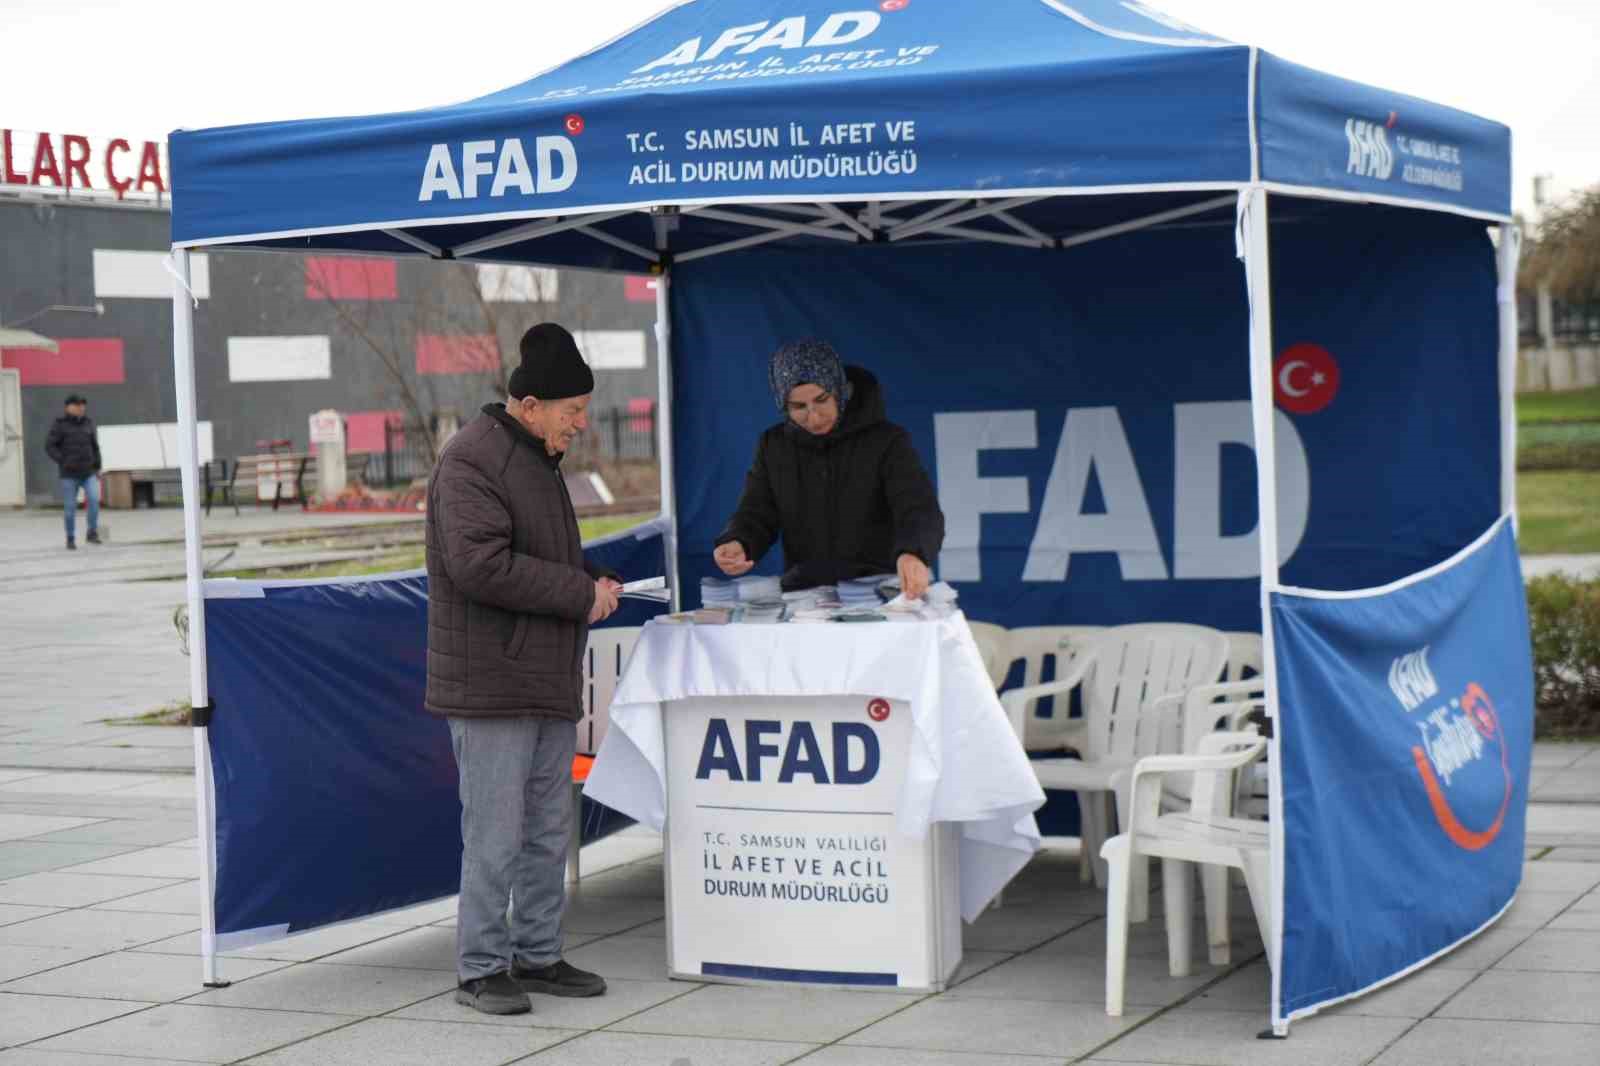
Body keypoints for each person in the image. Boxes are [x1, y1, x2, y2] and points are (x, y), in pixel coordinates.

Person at [425, 323, 617, 1016]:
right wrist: (578, 593)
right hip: (492, 685)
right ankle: (480, 968)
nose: (580, 424)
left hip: (542, 678)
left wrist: (593, 577)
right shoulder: (471, 461)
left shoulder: (536, 458)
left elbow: (541, 552)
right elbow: (480, 566)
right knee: (495, 834)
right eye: (573, 411)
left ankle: (538, 954)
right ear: (530, 405)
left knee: (545, 831)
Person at [713, 339, 944, 596]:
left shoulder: (888, 441)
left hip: (881, 591)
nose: (813, 417)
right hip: (806, 594)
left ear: (839, 391)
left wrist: (913, 552)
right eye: (798, 407)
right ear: (783, 405)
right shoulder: (773, 445)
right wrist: (739, 540)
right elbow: (757, 511)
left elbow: (918, 508)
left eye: (821, 400)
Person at [45, 394, 101, 550]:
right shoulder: (60, 425)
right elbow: (49, 446)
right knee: (70, 509)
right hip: (69, 475)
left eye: (83, 405)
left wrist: (97, 466)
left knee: (94, 500)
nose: (81, 407)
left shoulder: (88, 423)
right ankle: (70, 538)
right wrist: (62, 460)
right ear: (68, 407)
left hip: (88, 472)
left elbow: (95, 447)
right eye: (77, 405)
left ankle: (92, 532)